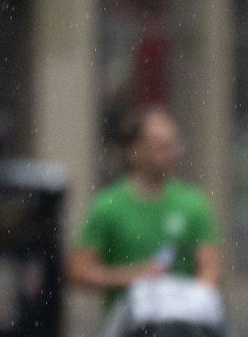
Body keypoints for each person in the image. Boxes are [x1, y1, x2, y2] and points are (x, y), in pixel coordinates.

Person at [68, 107, 222, 302]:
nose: (169, 153)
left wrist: (184, 301)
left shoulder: (194, 204)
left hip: (182, 324)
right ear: (135, 150)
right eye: (159, 145)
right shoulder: (108, 206)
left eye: (172, 145)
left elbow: (210, 270)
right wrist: (133, 277)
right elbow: (78, 272)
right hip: (128, 325)